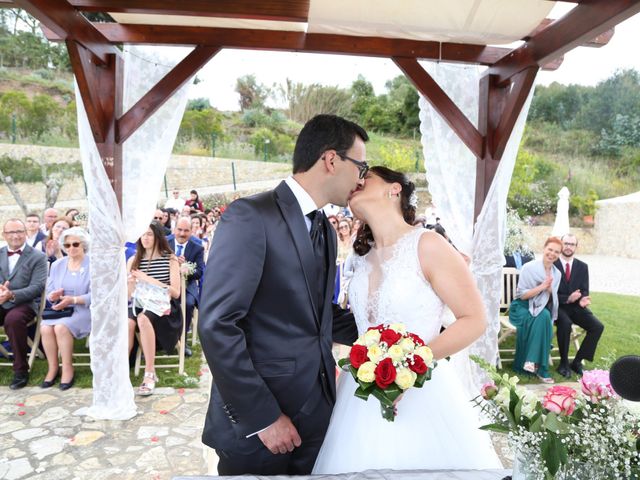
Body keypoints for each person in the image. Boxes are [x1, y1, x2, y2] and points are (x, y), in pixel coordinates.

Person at [198, 114, 364, 476]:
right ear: (331, 159)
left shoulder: (324, 228)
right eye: (360, 165)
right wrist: (264, 416)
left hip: (319, 410)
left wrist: (388, 337)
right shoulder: (251, 216)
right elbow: (217, 324)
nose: (361, 178)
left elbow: (320, 314)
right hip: (263, 420)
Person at [312, 167, 501, 473]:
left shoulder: (428, 244)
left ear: (394, 189)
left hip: (422, 392)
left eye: (367, 178)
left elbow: (475, 319)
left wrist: (411, 366)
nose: (356, 183)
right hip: (359, 396)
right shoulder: (360, 256)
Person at [127, 222, 181, 396]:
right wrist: (130, 283)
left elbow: (176, 293)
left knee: (143, 318)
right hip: (140, 302)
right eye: (143, 234)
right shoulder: (133, 260)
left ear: (158, 236)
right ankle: (120, 371)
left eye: (149, 234)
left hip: (163, 305)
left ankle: (150, 373)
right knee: (127, 323)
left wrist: (147, 278)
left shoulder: (170, 259)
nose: (145, 238)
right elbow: (129, 296)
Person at [41, 227, 92, 390]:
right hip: (61, 308)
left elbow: (98, 295)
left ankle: (68, 368)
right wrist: (53, 296)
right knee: (45, 328)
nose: (71, 248)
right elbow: (49, 291)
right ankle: (53, 367)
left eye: (75, 244)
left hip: (84, 309)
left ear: (83, 244)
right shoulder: (57, 265)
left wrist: (74, 299)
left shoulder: (93, 264)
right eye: (67, 245)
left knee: (61, 328)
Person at [0, 219, 48, 389]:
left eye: (19, 231)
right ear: (4, 235)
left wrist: (11, 294)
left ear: (26, 233)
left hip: (25, 304)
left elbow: (37, 287)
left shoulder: (38, 257)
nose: (15, 236)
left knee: (13, 320)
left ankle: (20, 370)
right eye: (11, 232)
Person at [508, 237, 562, 383]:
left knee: (544, 315)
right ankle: (541, 368)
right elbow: (522, 296)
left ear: (559, 255)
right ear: (544, 248)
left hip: (540, 308)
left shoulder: (557, 274)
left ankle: (532, 362)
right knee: (543, 317)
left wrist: (550, 290)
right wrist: (543, 287)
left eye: (557, 252)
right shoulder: (529, 268)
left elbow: (551, 301)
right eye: (550, 249)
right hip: (521, 308)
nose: (552, 254)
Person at [554, 234, 604, 378]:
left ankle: (577, 361)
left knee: (597, 326)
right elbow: (548, 294)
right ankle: (563, 363)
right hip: (558, 306)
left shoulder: (582, 266)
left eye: (572, 244)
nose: (568, 247)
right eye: (566, 243)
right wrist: (567, 298)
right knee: (566, 323)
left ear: (576, 247)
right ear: (561, 245)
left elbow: (584, 290)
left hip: (576, 307)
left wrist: (582, 299)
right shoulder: (553, 264)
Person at [167, 217, 205, 342]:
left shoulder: (197, 248)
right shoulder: (165, 243)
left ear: (191, 231)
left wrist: (186, 269)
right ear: (174, 229)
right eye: (179, 230)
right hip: (167, 284)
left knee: (188, 304)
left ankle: (182, 339)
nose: (182, 234)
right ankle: (164, 338)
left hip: (188, 285)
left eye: (186, 231)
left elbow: (199, 272)